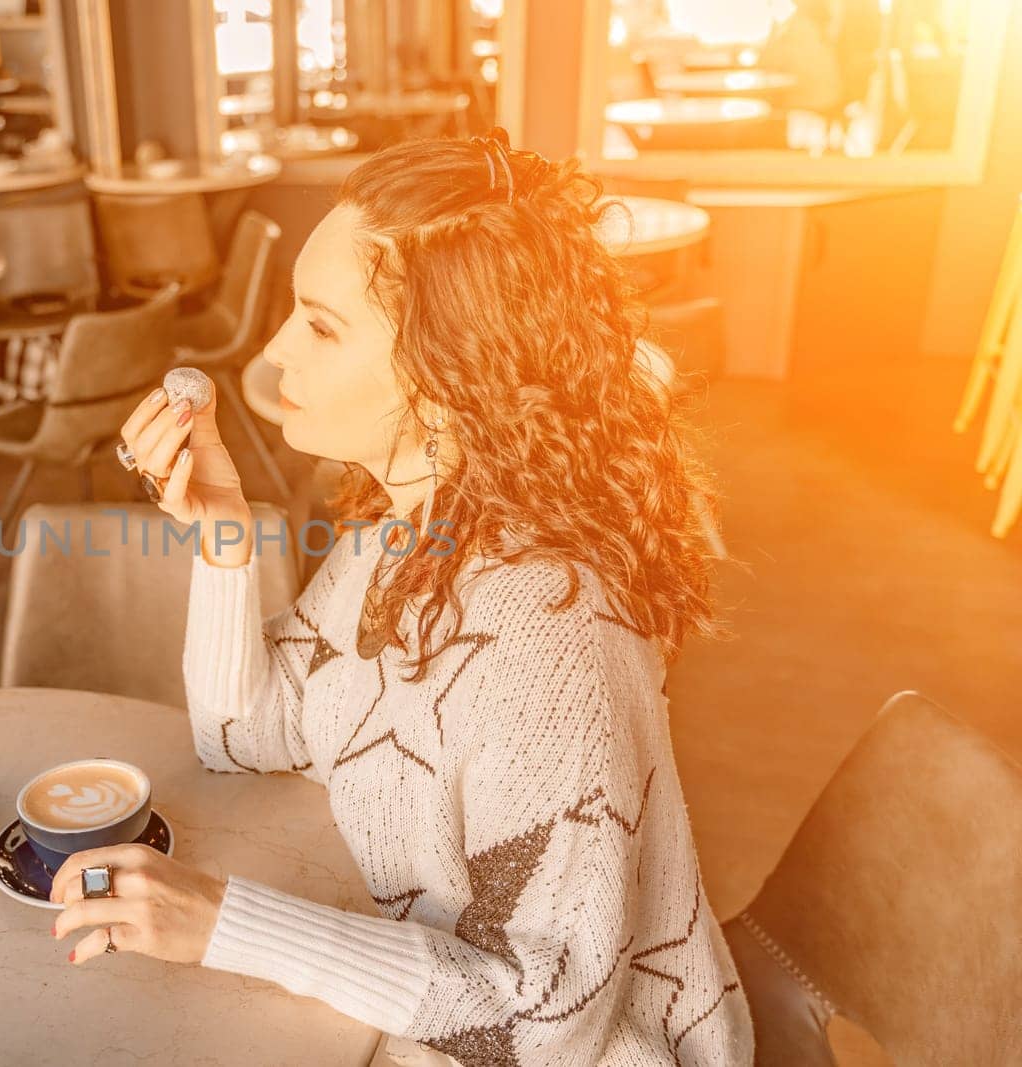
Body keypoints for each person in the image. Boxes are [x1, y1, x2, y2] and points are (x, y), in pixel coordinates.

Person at [49, 131, 753, 1066]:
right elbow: (247, 735)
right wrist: (225, 535)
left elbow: (547, 1026)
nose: (274, 352)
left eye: (321, 325)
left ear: (449, 379)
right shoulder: (403, 535)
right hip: (417, 1002)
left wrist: (225, 923)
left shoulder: (554, 637)